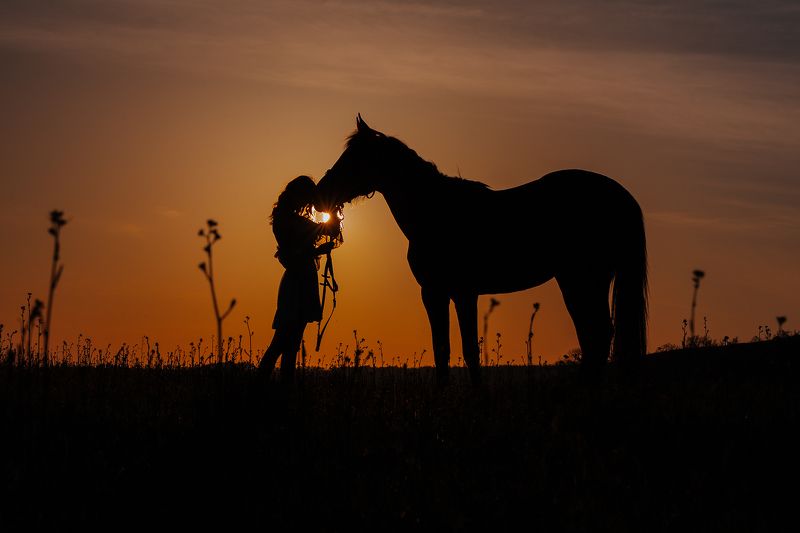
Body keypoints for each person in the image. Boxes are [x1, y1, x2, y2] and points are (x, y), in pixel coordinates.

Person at [258, 175, 341, 382]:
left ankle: (272, 391)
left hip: (300, 280)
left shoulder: (286, 219)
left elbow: (324, 231)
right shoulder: (291, 221)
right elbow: (296, 253)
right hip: (298, 282)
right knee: (282, 343)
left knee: (290, 344)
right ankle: (263, 388)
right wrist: (318, 250)